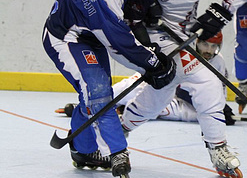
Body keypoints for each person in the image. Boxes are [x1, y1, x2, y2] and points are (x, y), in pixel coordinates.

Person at [119, 0, 247, 178]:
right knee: (195, 79)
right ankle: (121, 129)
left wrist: (221, 11)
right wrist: (140, 14)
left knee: (179, 90)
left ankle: (217, 147)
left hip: (185, 37)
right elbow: (129, 16)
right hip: (157, 37)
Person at [42, 0, 176, 178]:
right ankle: (117, 152)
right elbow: (122, 46)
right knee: (99, 92)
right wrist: (154, 64)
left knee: (93, 95)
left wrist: (143, 5)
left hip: (91, 34)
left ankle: (82, 151)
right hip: (67, 38)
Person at [55, 32, 236, 125]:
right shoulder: (184, 53)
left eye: (213, 46)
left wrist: (220, 108)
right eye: (205, 44)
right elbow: (179, 85)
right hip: (170, 88)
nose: (209, 51)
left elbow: (219, 94)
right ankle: (89, 106)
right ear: (197, 42)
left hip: (186, 106)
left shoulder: (218, 63)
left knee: (163, 110)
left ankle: (123, 110)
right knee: (132, 84)